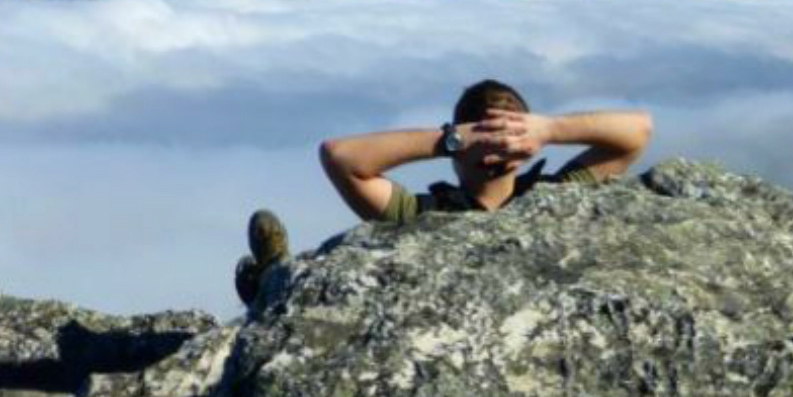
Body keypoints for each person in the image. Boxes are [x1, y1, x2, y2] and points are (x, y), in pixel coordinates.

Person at [234, 78, 654, 304]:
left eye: (509, 135)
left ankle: (270, 280)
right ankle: (273, 279)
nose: (495, 148)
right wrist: (451, 139)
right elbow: (339, 156)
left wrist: (547, 129)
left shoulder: (554, 198)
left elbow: (638, 131)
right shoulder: (421, 215)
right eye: (483, 137)